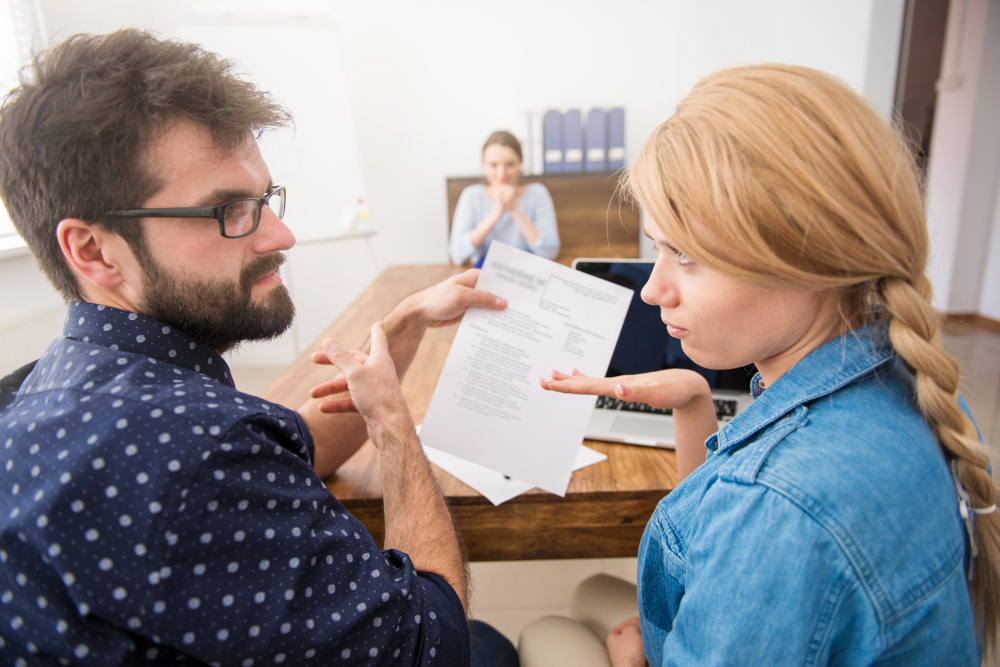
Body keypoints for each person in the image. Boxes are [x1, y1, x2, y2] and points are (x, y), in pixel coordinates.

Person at [0, 30, 516, 666]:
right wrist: (391, 423)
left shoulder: (43, 389)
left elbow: (295, 446)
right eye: (227, 210)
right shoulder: (199, 453)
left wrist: (403, 322)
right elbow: (430, 644)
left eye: (264, 199)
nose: (281, 234)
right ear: (93, 250)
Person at [538, 64, 999, 665]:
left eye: (686, 255)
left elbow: (761, 528)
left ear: (803, 260)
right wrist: (695, 404)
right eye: (657, 248)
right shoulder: (909, 371)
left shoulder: (779, 507)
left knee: (549, 632)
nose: (653, 290)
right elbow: (721, 548)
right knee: (590, 591)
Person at [448, 131, 559, 267]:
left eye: (510, 164)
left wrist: (513, 209)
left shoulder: (537, 193)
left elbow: (550, 252)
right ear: (484, 164)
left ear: (520, 163)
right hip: (483, 274)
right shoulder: (472, 196)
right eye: (493, 165)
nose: (502, 174)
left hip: (527, 274)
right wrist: (495, 215)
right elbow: (457, 254)